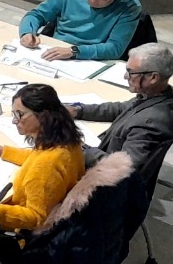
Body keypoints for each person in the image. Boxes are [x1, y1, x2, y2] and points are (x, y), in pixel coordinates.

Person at [0, 84, 87, 264]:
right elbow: (37, 157)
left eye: (20, 115)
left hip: (26, 240)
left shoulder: (46, 166)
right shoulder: (66, 142)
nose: (14, 121)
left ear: (43, 116)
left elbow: (35, 218)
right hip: (62, 228)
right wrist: (4, 151)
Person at [69, 42, 173, 171]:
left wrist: (81, 149)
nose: (125, 77)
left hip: (101, 177)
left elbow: (122, 168)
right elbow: (121, 108)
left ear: (153, 77)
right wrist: (78, 111)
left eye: (131, 72)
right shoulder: (158, 96)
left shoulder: (150, 123)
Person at [18, 0, 142, 62]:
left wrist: (74, 51)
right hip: (56, 49)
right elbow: (36, 15)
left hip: (92, 58)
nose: (93, 0)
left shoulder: (129, 7)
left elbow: (114, 48)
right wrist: (27, 32)